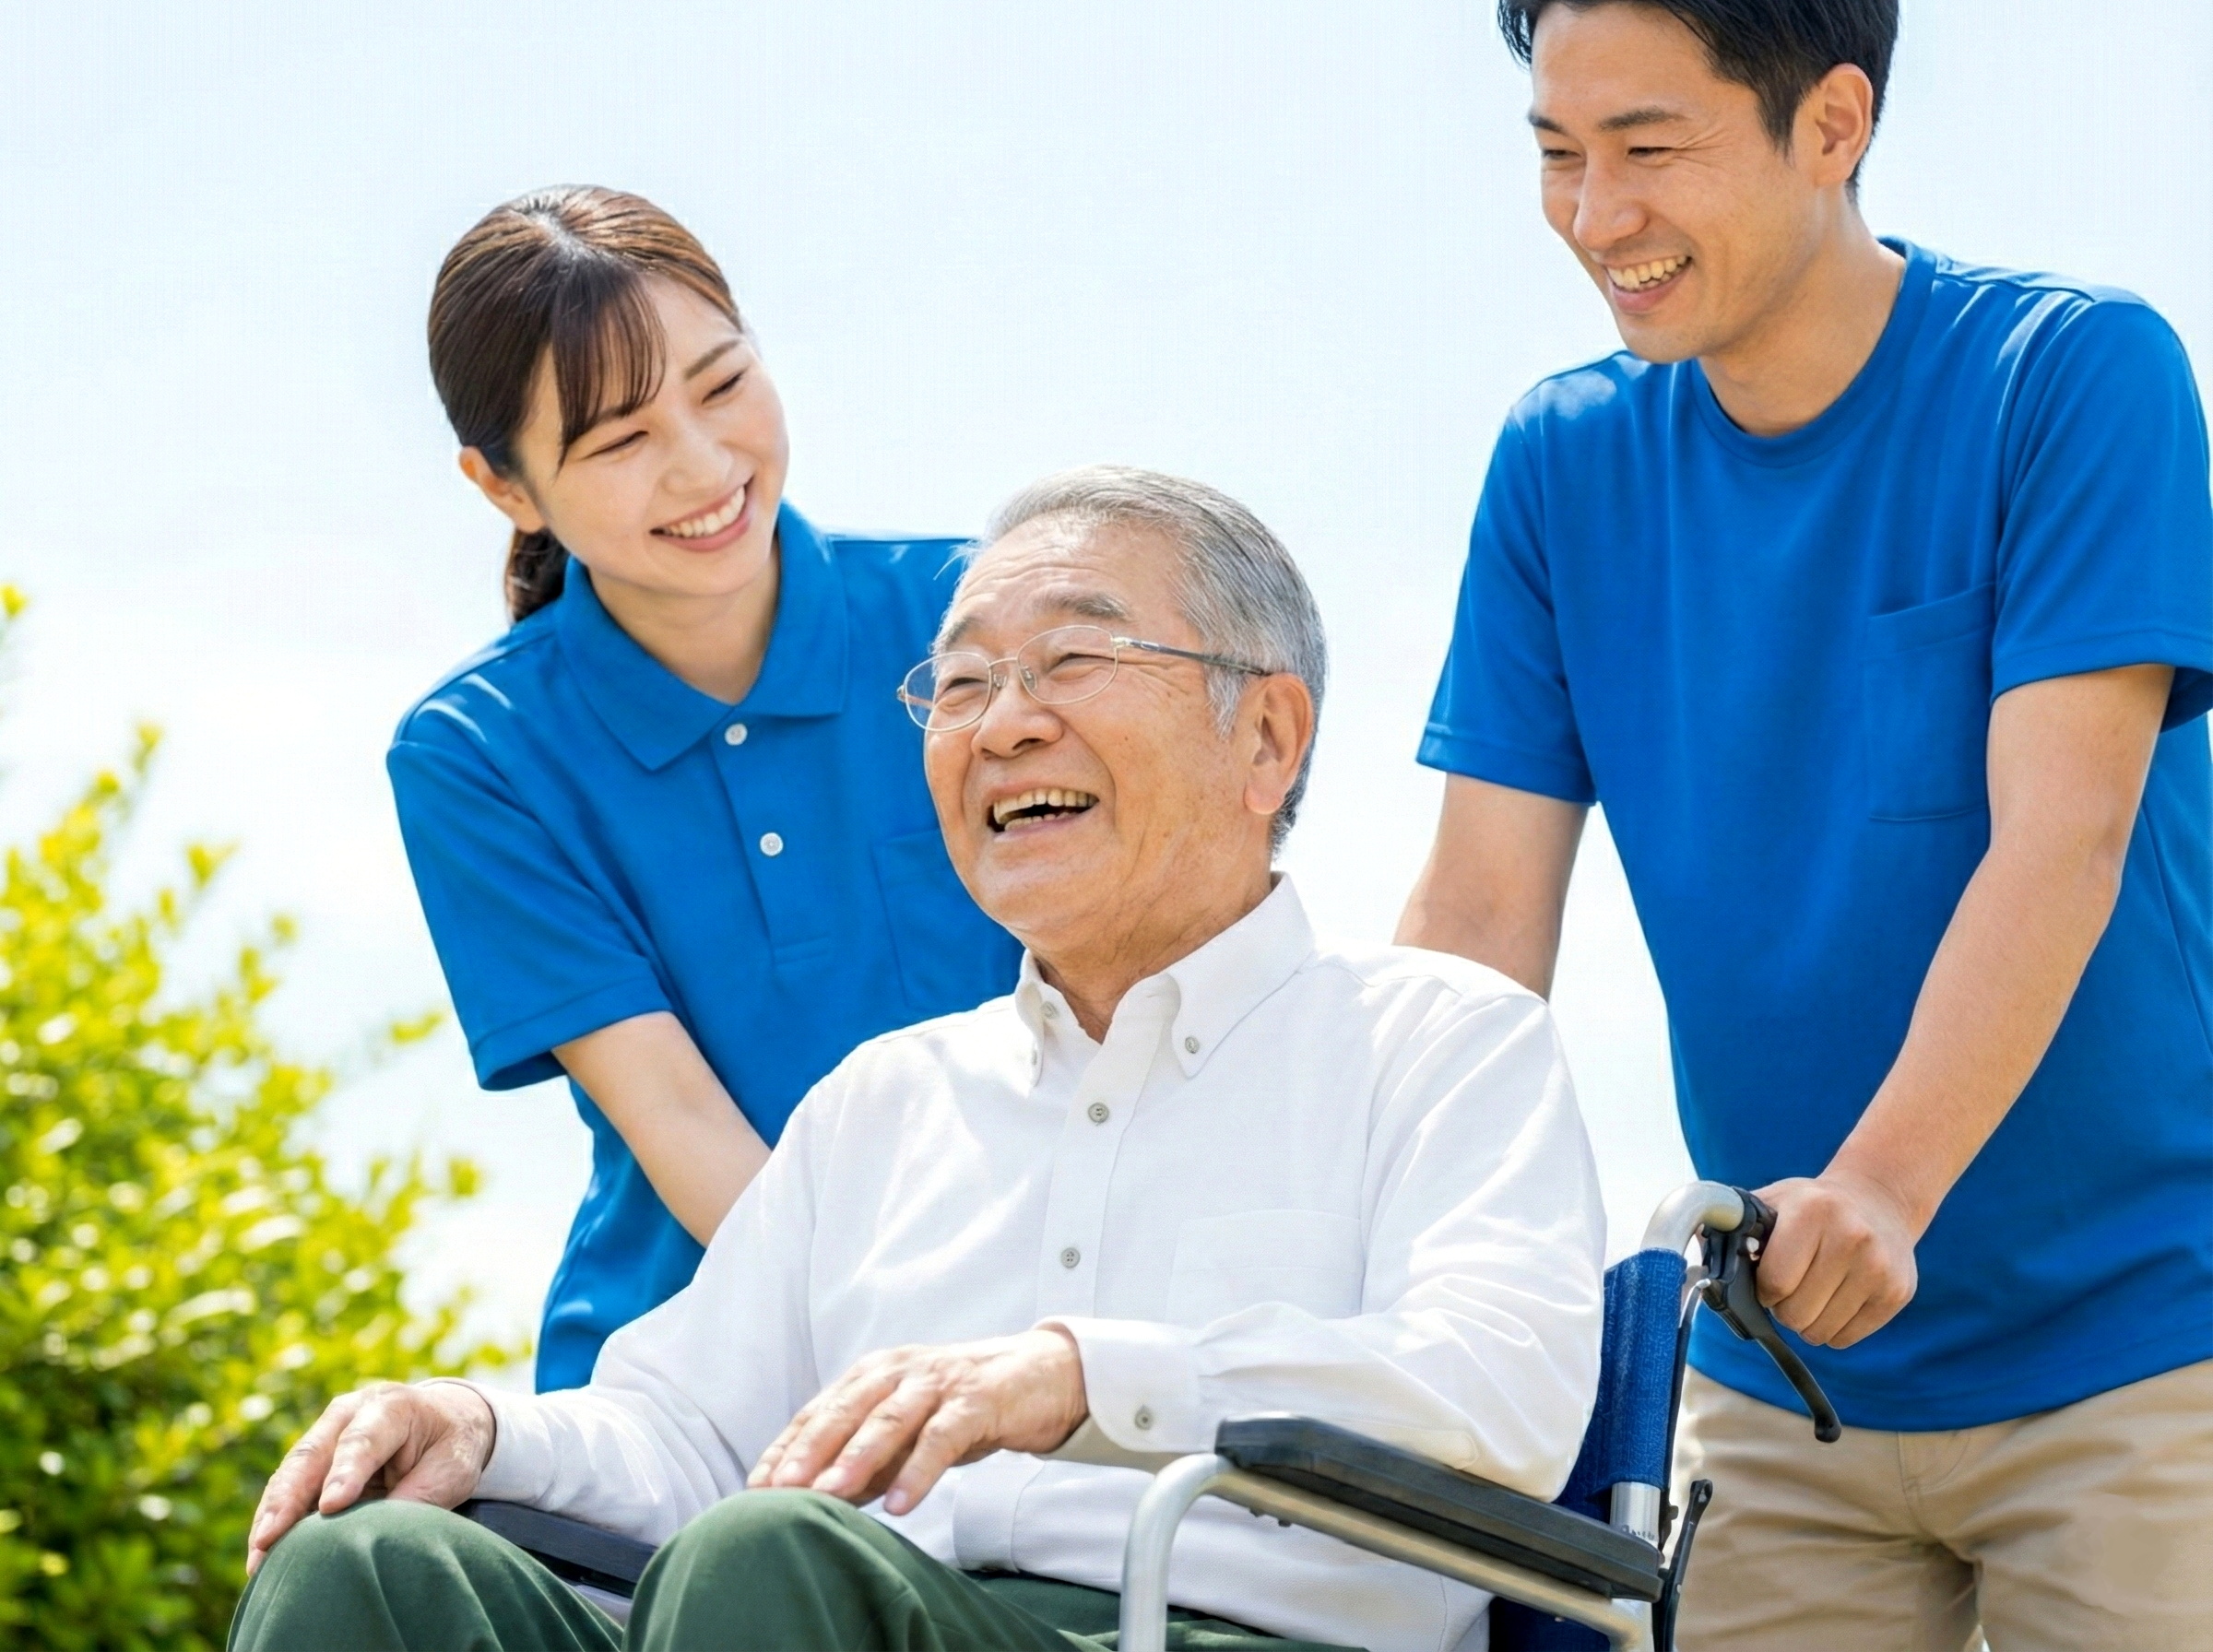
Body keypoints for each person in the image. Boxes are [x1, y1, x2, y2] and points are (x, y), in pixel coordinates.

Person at [233, 468, 1606, 1652]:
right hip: (842, 1604)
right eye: (959, 684)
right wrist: (476, 1428)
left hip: (1221, 1625)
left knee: (766, 1559)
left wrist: (1088, 1377)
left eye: (1073, 662)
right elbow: (687, 1435)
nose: (1003, 722)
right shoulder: (882, 1102)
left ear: (1267, 737)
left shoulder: (1440, 1041)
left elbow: (1501, 1389)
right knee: (371, 1566)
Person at [1399, 2, 2213, 1646]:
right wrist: (1377, 1248)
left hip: (2146, 1347)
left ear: (1832, 124)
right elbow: (1482, 919)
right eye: (1558, 155)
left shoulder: (2070, 377)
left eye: (1649, 149)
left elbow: (2061, 839)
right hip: (1777, 1377)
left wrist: (1888, 1189)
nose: (1594, 216)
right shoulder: (1562, 465)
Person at [392, 186, 1023, 1391]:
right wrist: (906, 1375)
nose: (704, 466)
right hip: (692, 1380)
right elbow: (678, 1119)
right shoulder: (475, 754)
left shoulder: (979, 625)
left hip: (1036, 1343)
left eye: (724, 384)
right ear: (506, 488)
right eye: (621, 441)